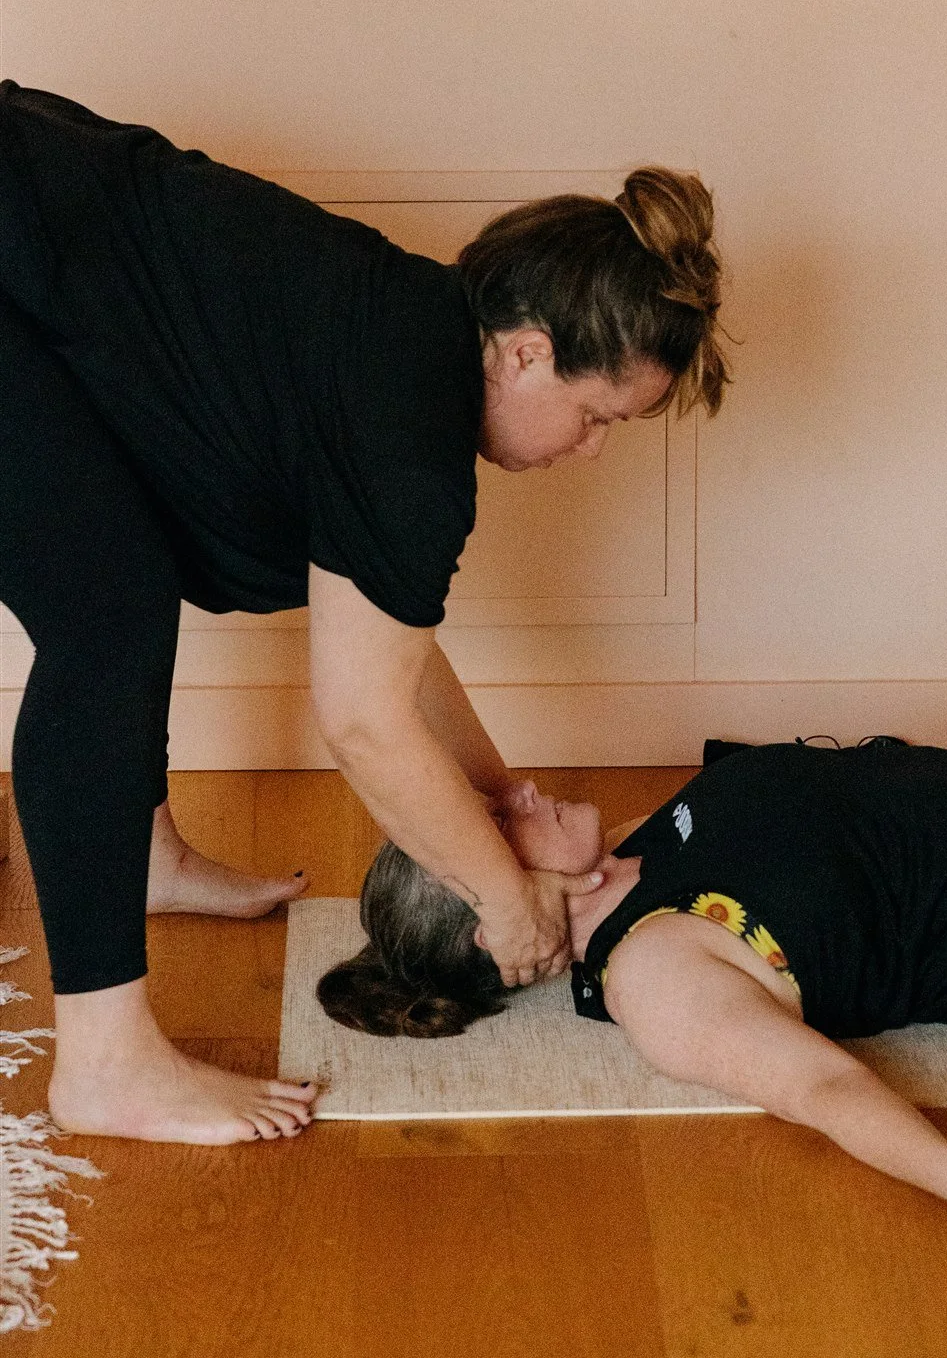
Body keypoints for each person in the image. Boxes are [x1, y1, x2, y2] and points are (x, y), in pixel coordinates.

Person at [0, 81, 729, 1143]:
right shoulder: (411, 438)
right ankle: (106, 1062)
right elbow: (362, 718)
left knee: (120, 572)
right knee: (104, 615)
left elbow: (393, 654)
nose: (590, 451)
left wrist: (496, 796)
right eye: (593, 415)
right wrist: (508, 902)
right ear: (526, 350)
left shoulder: (408, 344)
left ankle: (138, 854)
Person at [320, 739, 947, 1245]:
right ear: (500, 914)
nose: (525, 787)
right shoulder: (655, 971)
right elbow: (818, 1087)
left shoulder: (629, 850)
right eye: (501, 818)